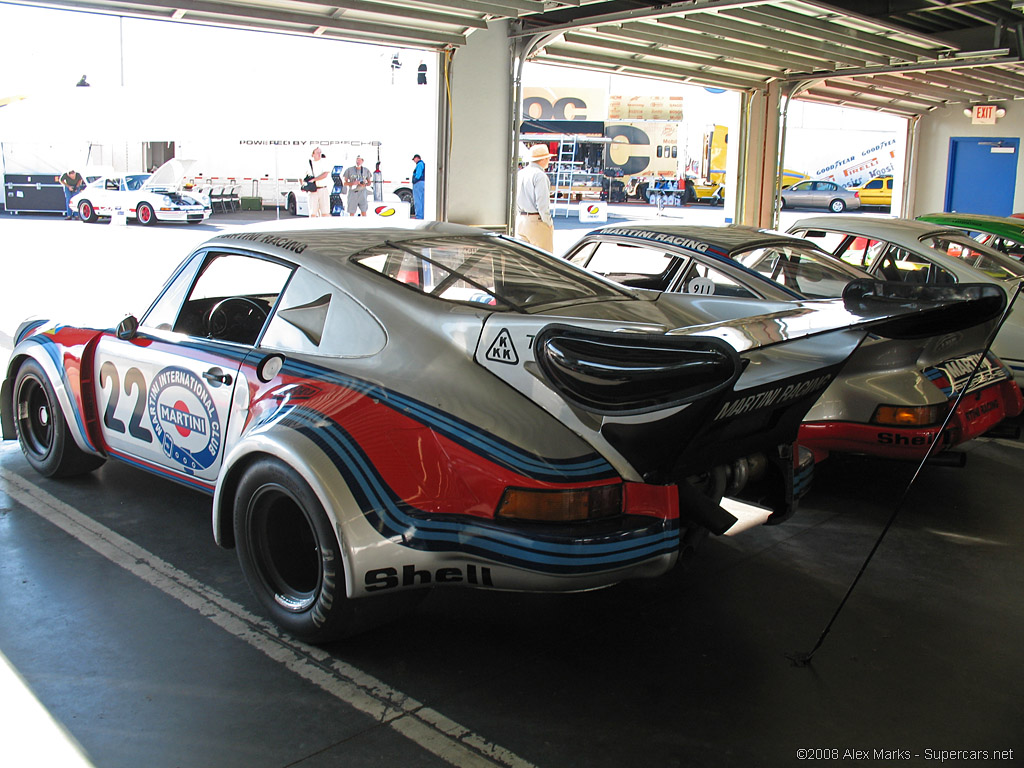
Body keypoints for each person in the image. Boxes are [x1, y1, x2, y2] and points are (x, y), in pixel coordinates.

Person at [515, 144, 553, 252]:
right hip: (536, 221)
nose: (549, 160)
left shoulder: (520, 174)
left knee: (524, 260)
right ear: (543, 159)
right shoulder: (540, 175)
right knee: (545, 260)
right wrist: (548, 223)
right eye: (548, 158)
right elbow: (542, 204)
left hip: (521, 221)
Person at [307, 146, 331, 218]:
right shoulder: (309, 163)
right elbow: (302, 175)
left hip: (323, 189)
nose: (319, 154)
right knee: (313, 213)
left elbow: (325, 174)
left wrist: (314, 179)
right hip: (312, 190)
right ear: (313, 154)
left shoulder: (324, 162)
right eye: (317, 152)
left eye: (320, 152)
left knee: (325, 212)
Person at [411, 154, 426, 220]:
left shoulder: (419, 164)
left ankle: (419, 216)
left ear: (417, 158)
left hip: (418, 183)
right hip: (423, 183)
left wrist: (415, 180)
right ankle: (422, 215)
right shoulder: (423, 164)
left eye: (414, 159)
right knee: (422, 200)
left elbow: (418, 174)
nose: (414, 161)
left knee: (418, 200)